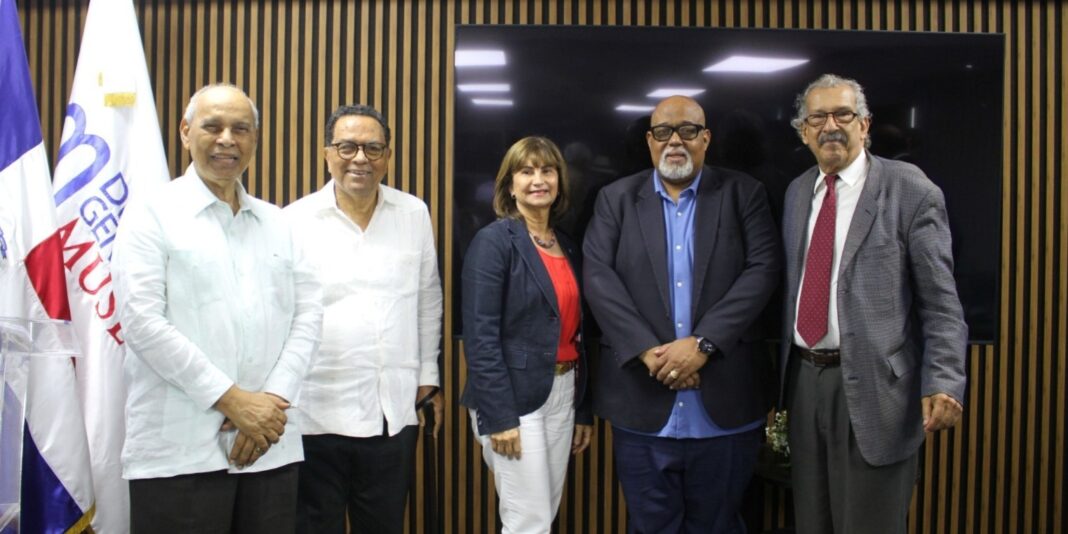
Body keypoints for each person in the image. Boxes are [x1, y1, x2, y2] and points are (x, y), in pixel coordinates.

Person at [112, 83, 322, 533]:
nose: (228, 139)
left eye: (241, 128)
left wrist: (268, 406)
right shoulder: (151, 214)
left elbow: (308, 316)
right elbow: (144, 323)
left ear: (255, 139)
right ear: (186, 132)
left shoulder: (279, 223)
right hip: (178, 454)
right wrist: (234, 402)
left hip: (269, 446)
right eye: (213, 126)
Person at [583, 95, 781, 533]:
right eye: (663, 132)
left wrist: (702, 345)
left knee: (720, 525)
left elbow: (763, 272)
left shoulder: (743, 194)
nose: (676, 141)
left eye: (688, 131)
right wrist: (651, 354)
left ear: (705, 139)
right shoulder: (615, 199)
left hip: (726, 406)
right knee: (650, 526)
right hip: (641, 403)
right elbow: (598, 278)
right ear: (649, 142)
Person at [780, 74, 967, 534]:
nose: (830, 126)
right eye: (817, 117)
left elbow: (941, 302)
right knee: (812, 522)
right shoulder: (797, 191)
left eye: (843, 114)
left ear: (865, 125)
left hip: (878, 391)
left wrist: (944, 380)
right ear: (803, 131)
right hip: (805, 382)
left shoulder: (910, 190)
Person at [284, 104, 444, 534]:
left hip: (391, 410)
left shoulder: (414, 214)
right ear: (326, 153)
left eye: (373, 148)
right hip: (315, 412)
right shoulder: (293, 221)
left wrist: (428, 377)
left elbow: (428, 299)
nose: (361, 158)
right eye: (348, 146)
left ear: (388, 156)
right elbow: (279, 313)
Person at [461, 136, 594, 533]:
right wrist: (499, 416)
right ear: (510, 184)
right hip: (513, 398)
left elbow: (579, 334)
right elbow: (480, 336)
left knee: (544, 513)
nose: (539, 179)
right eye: (527, 171)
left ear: (559, 181)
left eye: (547, 170)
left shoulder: (567, 245)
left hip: (563, 392)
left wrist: (581, 408)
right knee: (527, 520)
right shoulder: (494, 242)